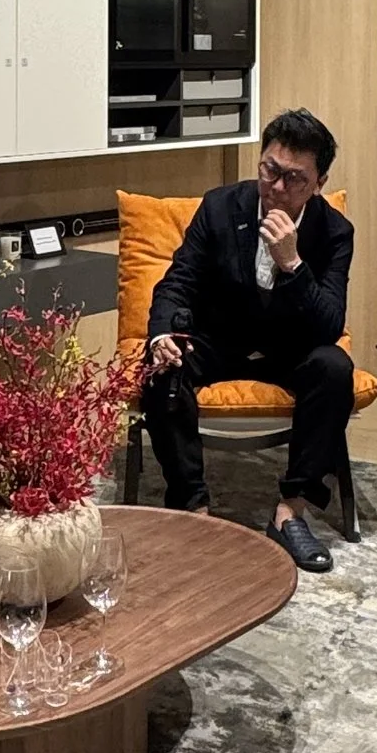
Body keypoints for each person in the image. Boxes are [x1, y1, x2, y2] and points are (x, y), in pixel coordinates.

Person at [141, 109, 356, 573]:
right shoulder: (221, 207)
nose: (276, 187)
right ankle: (193, 509)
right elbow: (178, 282)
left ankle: (290, 512)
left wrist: (293, 264)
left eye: (294, 179)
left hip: (289, 348)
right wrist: (161, 335)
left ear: (318, 183)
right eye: (269, 169)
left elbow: (329, 325)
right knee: (162, 367)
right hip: (220, 339)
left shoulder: (335, 232)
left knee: (334, 369)